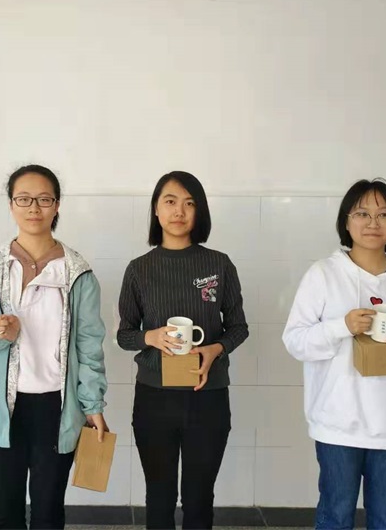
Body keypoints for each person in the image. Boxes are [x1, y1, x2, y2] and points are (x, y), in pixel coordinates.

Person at [282, 178, 386, 530]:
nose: (373, 223)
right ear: (346, 221)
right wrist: (341, 326)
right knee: (335, 517)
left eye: (384, 214)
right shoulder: (323, 275)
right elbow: (295, 341)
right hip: (338, 424)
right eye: (362, 213)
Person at [0, 164, 108, 530]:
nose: (34, 208)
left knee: (48, 513)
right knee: (4, 513)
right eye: (23, 199)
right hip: (0, 409)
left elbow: (90, 345)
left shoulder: (78, 273)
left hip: (56, 408)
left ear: (57, 205)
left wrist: (93, 405)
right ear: (11, 205)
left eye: (44, 199)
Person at [117, 170, 248, 530]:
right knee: (159, 497)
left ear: (199, 211)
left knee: (199, 498)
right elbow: (124, 335)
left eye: (189, 203)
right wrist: (150, 337)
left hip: (208, 397)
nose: (179, 211)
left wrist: (216, 349)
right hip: (154, 399)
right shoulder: (139, 269)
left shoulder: (218, 264)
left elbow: (239, 327)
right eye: (170, 201)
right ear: (156, 210)